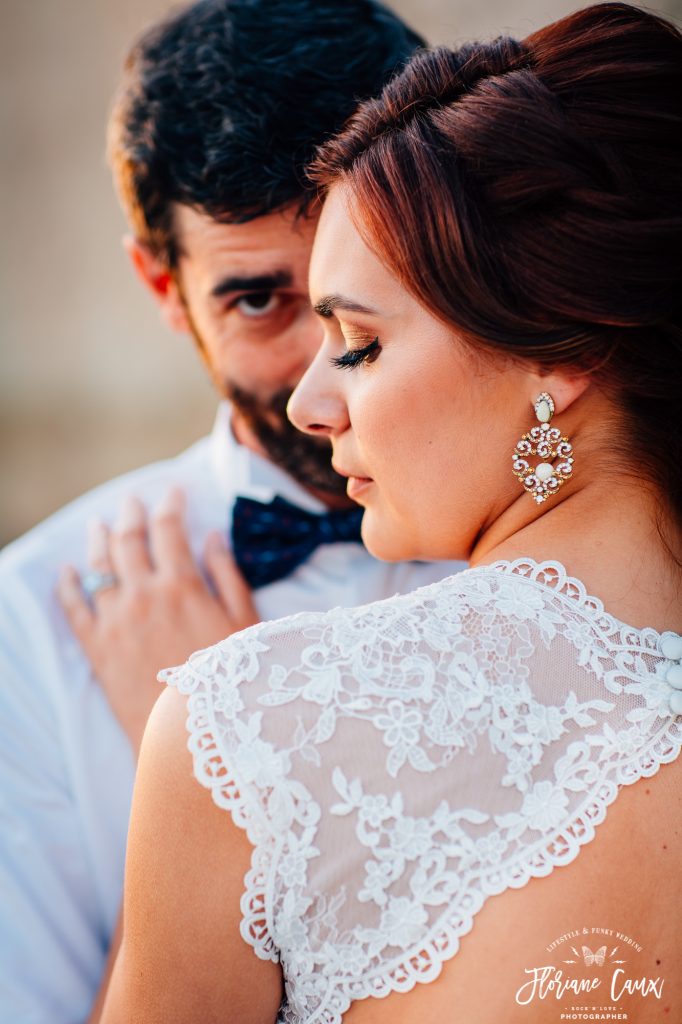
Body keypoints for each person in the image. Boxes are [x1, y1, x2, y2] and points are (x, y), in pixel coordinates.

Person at [95, 3, 682, 1022]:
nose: (309, 401)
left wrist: (225, 770)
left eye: (359, 343)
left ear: (563, 353)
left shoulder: (248, 727)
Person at [0, 3, 463, 1021]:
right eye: (262, 301)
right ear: (162, 286)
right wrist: (193, 770)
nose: (325, 373)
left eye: (374, 282)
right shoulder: (28, 625)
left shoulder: (605, 547)